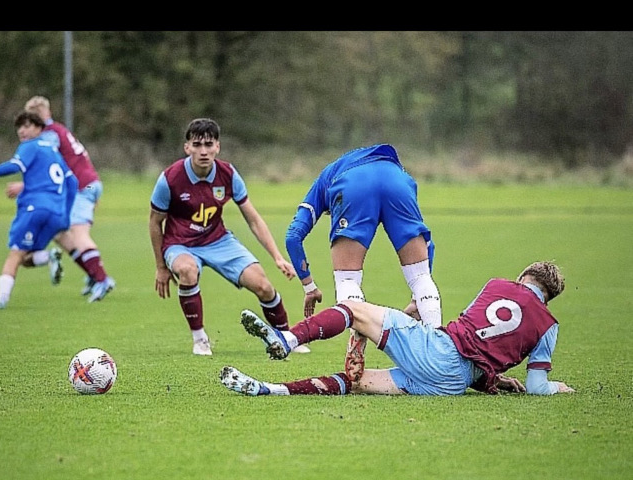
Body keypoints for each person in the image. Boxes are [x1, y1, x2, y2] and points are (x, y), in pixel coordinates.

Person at [221, 261, 576, 397]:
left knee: (354, 309)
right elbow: (535, 386)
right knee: (357, 383)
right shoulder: (548, 325)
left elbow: (467, 336)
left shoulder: (497, 284)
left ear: (522, 278)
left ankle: (286, 338)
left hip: (438, 351)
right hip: (454, 384)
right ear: (550, 296)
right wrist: (557, 387)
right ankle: (268, 389)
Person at [149, 118, 310, 356]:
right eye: (197, 145)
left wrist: (277, 257)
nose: (203, 151)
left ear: (217, 147)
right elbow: (155, 222)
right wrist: (161, 266)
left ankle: (286, 337)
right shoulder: (170, 179)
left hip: (218, 240)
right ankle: (200, 338)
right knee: (187, 270)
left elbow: (253, 219)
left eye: (208, 144)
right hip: (180, 244)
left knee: (264, 286)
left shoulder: (228, 174)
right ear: (187, 148)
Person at [284, 144, 442, 359]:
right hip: (397, 180)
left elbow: (293, 236)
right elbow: (427, 244)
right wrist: (417, 298)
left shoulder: (324, 181)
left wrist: (309, 286)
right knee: (420, 276)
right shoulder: (397, 171)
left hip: (353, 184)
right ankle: (439, 352)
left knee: (347, 279)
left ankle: (356, 350)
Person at [4, 95, 115, 303]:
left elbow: (48, 169)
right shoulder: (59, 129)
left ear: (43, 116)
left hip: (83, 185)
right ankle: (93, 274)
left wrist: (24, 186)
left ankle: (102, 279)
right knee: (60, 233)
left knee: (78, 233)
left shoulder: (48, 136)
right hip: (91, 183)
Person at [0, 111, 78, 309]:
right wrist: (66, 217)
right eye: (19, 127)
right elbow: (73, 181)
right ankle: (49, 256)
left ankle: (1, 299)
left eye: (27, 126)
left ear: (39, 128)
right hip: (56, 213)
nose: (22, 131)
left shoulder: (30, 147)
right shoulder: (53, 152)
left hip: (34, 209)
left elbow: (13, 166)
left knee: (15, 254)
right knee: (26, 259)